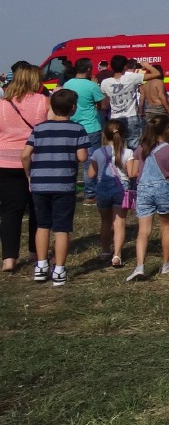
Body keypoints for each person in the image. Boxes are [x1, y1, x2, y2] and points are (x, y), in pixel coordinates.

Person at [23, 87, 88, 286]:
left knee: (42, 225)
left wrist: (29, 176)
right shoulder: (77, 129)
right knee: (62, 228)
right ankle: (59, 269)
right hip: (63, 184)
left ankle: (41, 266)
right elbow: (82, 157)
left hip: (40, 183)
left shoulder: (39, 128)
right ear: (73, 108)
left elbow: (25, 155)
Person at [0, 64, 48, 271]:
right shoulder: (42, 101)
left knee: (11, 210)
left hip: (5, 160)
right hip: (36, 158)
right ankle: (35, 251)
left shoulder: (3, 104)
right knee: (37, 208)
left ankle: (9, 257)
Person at [127, 114, 169, 280]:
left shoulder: (141, 149)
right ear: (167, 130)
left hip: (144, 191)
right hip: (163, 189)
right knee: (166, 226)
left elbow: (134, 173)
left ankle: (139, 266)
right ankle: (166, 264)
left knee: (143, 231)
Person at [62, 58, 107, 203]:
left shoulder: (67, 84)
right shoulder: (91, 85)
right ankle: (90, 193)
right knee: (91, 160)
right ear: (88, 69)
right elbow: (103, 105)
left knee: (71, 159)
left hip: (71, 125)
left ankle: (70, 190)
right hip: (90, 126)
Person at [91, 119, 133, 267]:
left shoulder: (97, 152)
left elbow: (91, 174)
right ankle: (117, 255)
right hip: (121, 189)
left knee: (105, 221)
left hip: (103, 189)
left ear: (104, 134)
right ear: (123, 135)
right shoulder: (128, 152)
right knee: (119, 222)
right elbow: (131, 173)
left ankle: (105, 251)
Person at [100, 55, 149, 148]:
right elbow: (157, 74)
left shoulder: (105, 82)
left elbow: (104, 104)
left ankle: (118, 157)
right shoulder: (132, 78)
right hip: (131, 115)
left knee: (116, 144)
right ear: (125, 67)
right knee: (133, 144)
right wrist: (147, 66)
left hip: (115, 117)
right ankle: (132, 157)